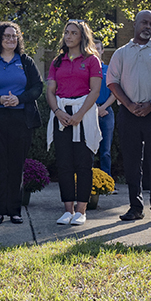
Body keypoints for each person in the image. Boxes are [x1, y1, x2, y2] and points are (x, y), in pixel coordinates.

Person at [107, 11, 151, 226]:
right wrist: (128, 104)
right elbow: (112, 81)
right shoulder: (121, 53)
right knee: (131, 162)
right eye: (144, 22)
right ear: (135, 24)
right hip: (129, 113)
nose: (148, 27)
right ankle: (135, 208)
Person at [0, 21, 44, 225]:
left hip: (20, 120)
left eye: (14, 36)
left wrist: (20, 99)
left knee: (16, 166)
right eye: (7, 36)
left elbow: (37, 87)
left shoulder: (26, 61)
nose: (11, 39)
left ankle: (15, 211)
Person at [45, 19, 102, 226]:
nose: (68, 36)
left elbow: (95, 90)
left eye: (73, 33)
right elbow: (50, 91)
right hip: (61, 117)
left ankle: (81, 211)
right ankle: (67, 210)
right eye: (66, 33)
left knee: (83, 164)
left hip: (83, 116)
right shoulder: (57, 61)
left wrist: (79, 115)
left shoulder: (91, 60)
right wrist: (58, 111)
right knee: (64, 164)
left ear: (82, 36)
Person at [93, 40, 117, 175]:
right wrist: (94, 109)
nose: (96, 51)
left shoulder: (109, 70)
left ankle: (107, 182)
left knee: (105, 151)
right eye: (93, 48)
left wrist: (103, 108)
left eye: (98, 48)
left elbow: (115, 92)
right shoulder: (87, 70)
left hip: (106, 112)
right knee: (88, 150)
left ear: (102, 51)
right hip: (89, 111)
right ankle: (88, 183)